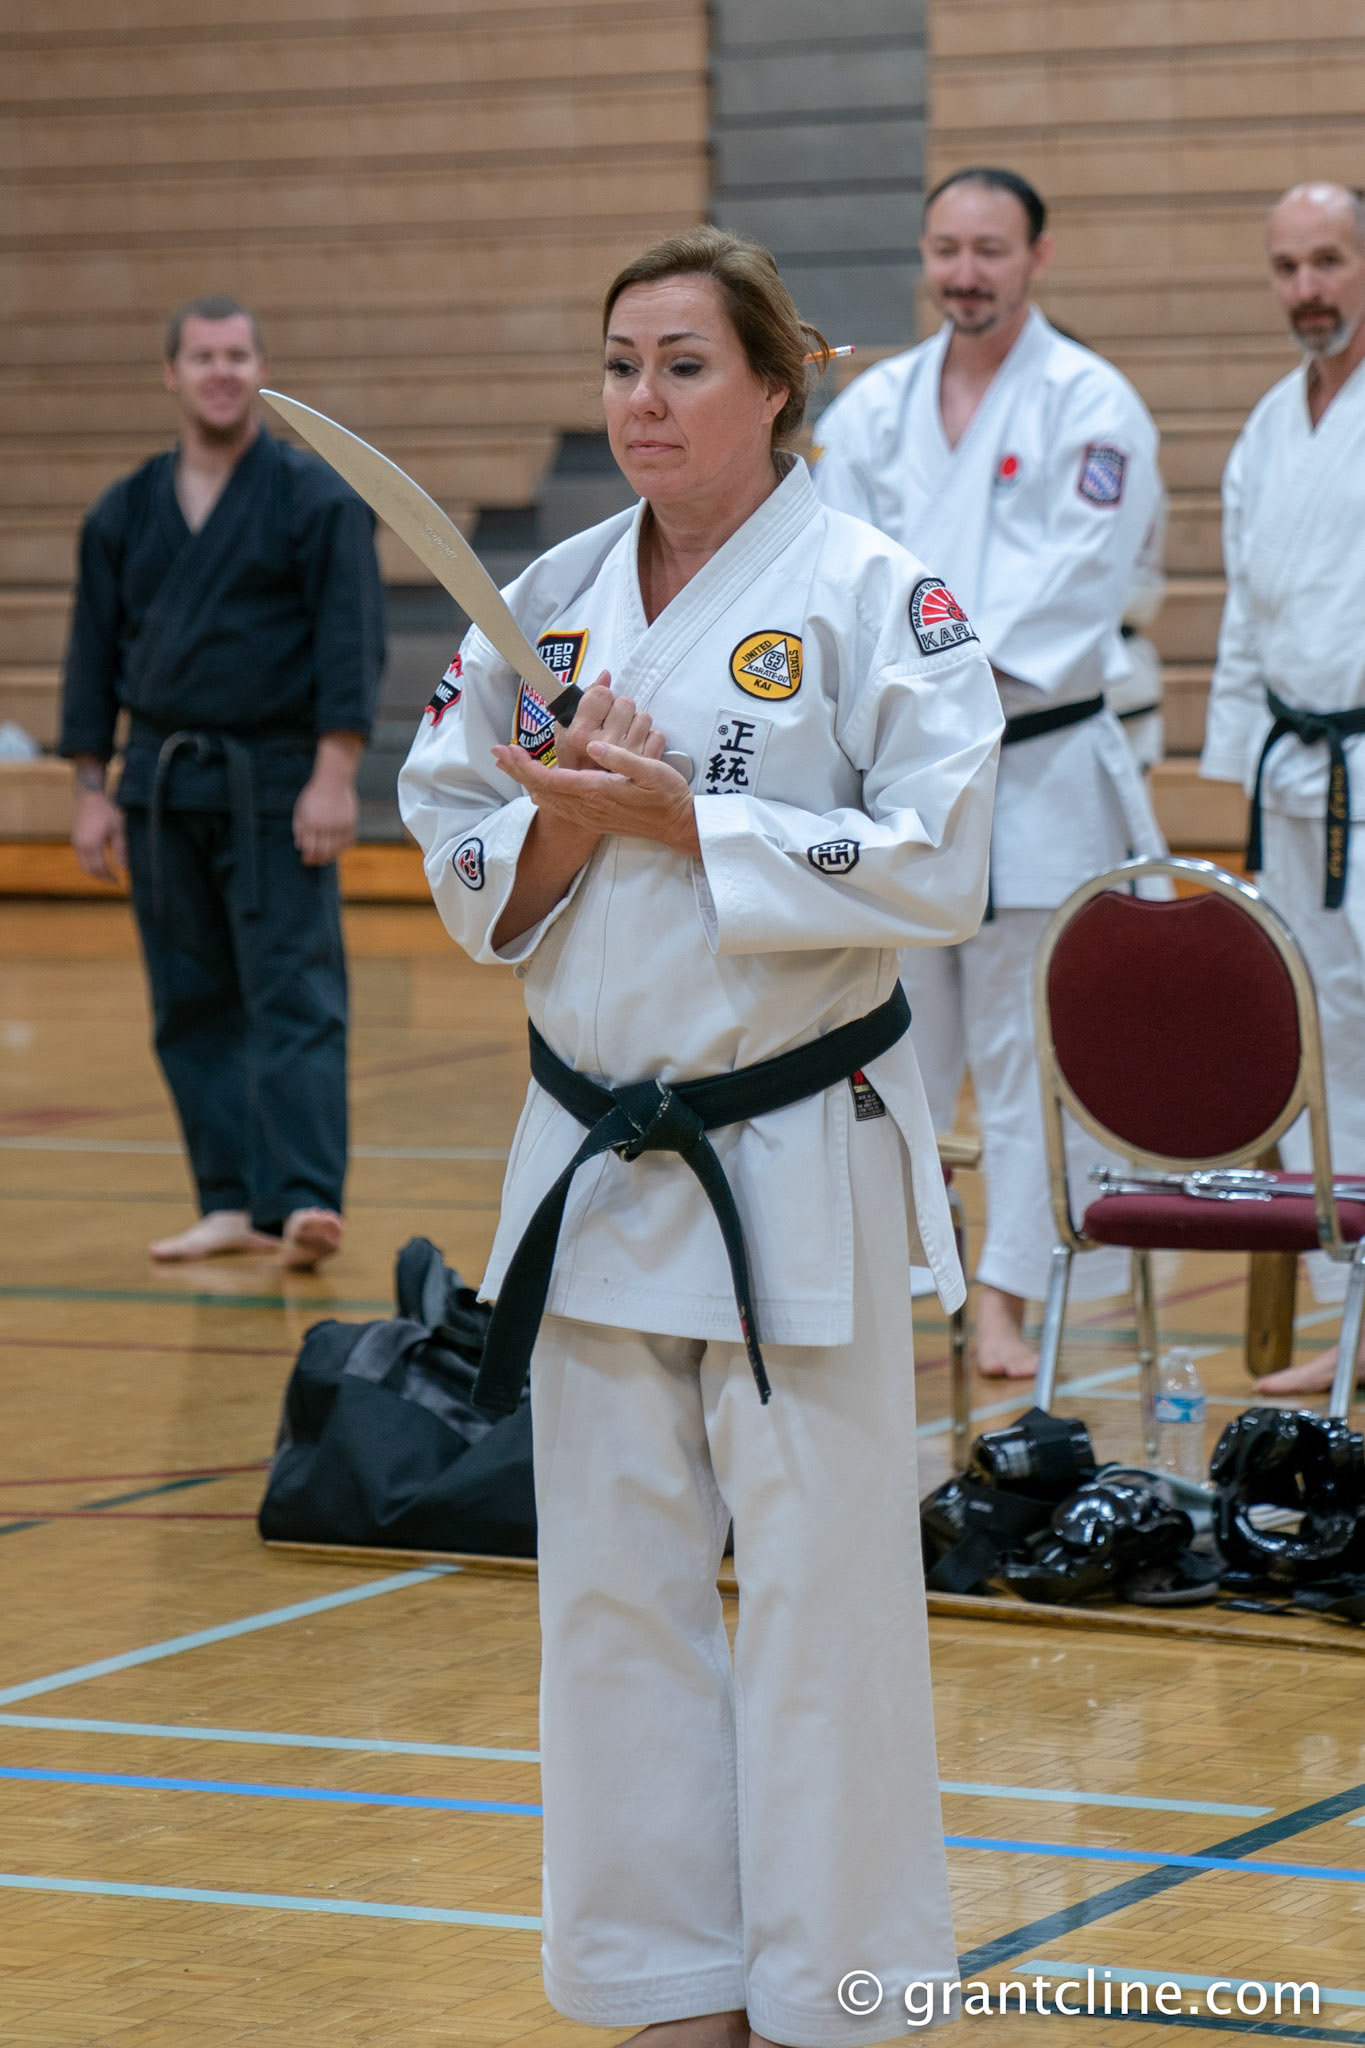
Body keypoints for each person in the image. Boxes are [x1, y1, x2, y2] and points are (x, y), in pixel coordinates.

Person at [399, 226, 1001, 2046]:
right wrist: (564, 831)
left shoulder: (879, 595)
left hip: (793, 1152)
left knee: (824, 1600)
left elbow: (941, 862)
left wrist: (690, 823)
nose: (641, 401)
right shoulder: (551, 601)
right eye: (619, 366)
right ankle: (665, 1981)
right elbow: (455, 829)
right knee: (613, 1595)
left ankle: (842, 1991)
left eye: (682, 365)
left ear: (774, 387)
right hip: (593, 1162)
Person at [812, 165, 1165, 1378]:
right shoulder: (874, 408)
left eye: (991, 250)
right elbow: (836, 574)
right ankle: (903, 1281)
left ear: (1037, 258)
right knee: (893, 1045)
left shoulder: (1092, 405)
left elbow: (1071, 592)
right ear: (925, 254)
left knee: (1025, 1053)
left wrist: (926, 680)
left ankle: (1011, 1294)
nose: (965, 273)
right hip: (902, 773)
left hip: (1038, 762)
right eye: (947, 248)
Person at [60, 295, 385, 1269]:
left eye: (237, 356)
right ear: (172, 373)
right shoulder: (122, 510)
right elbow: (91, 656)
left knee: (294, 994)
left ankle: (304, 1200)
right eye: (202, 357)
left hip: (276, 782)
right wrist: (90, 786)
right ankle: (229, 1199)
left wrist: (335, 774)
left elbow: (351, 643)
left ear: (261, 370)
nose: (221, 372)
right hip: (160, 785)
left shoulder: (316, 499)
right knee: (189, 1000)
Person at [1200, 181, 1365, 1396]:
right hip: (1299, 773)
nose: (1307, 289)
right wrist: (1235, 767)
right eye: (1288, 266)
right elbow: (1246, 621)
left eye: (1330, 261)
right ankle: (1352, 1315)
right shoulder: (1269, 425)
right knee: (1330, 1036)